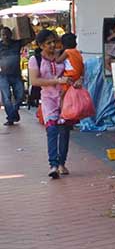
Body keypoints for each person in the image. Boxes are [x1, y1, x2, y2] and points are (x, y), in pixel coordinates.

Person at [28, 30, 74, 178]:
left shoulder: (62, 56)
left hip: (65, 97)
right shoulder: (35, 60)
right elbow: (34, 81)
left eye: (54, 42)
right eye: (48, 43)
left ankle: (62, 163)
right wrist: (56, 81)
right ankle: (53, 164)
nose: (53, 45)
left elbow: (73, 72)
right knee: (52, 129)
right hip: (48, 99)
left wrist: (75, 81)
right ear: (41, 45)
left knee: (64, 130)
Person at [0, 27, 26, 126]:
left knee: (20, 96)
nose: (5, 36)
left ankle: (13, 113)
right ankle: (11, 117)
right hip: (3, 75)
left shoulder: (16, 43)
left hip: (16, 75)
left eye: (6, 34)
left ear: (11, 35)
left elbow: (31, 38)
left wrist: (26, 24)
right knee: (6, 98)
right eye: (3, 34)